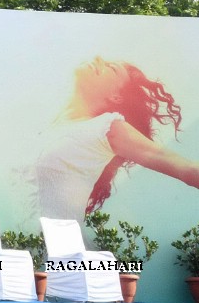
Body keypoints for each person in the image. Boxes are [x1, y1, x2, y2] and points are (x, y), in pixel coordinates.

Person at [34, 56, 199, 224]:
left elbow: (186, 169)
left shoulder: (107, 127)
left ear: (116, 97)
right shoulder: (43, 127)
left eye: (111, 68)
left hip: (55, 247)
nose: (98, 58)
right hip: (18, 245)